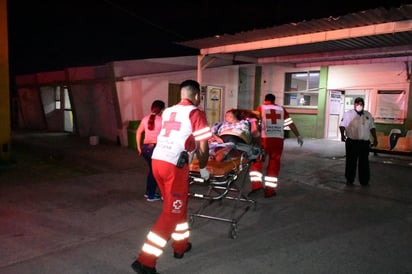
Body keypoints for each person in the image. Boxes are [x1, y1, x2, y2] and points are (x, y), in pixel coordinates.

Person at [131, 80, 211, 274]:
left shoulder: (167, 111)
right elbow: (203, 146)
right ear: (197, 96)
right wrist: (203, 167)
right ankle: (145, 261)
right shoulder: (196, 113)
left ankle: (180, 246)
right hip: (174, 167)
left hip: (158, 161)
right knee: (171, 214)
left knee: (178, 207)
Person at [249, 93, 303, 198]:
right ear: (274, 100)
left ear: (265, 100)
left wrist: (254, 138)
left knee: (257, 162)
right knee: (274, 164)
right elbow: (290, 123)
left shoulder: (261, 107)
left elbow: (255, 124)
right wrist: (298, 135)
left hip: (265, 140)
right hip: (278, 140)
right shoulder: (281, 109)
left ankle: (257, 187)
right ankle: (270, 191)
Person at [339, 97, 378, 186]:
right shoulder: (348, 114)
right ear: (354, 105)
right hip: (352, 142)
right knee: (351, 162)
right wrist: (342, 135)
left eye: (361, 104)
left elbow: (372, 127)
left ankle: (364, 181)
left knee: (364, 162)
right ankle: (350, 179)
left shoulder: (368, 115)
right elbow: (342, 125)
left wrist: (375, 138)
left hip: (364, 143)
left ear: (363, 105)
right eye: (357, 104)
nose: (359, 106)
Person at [136, 100, 165, 202]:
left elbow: (138, 132)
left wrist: (139, 147)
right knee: (155, 173)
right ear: (162, 110)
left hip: (145, 148)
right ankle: (151, 196)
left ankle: (148, 192)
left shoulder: (145, 119)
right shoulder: (161, 120)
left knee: (152, 171)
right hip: (155, 148)